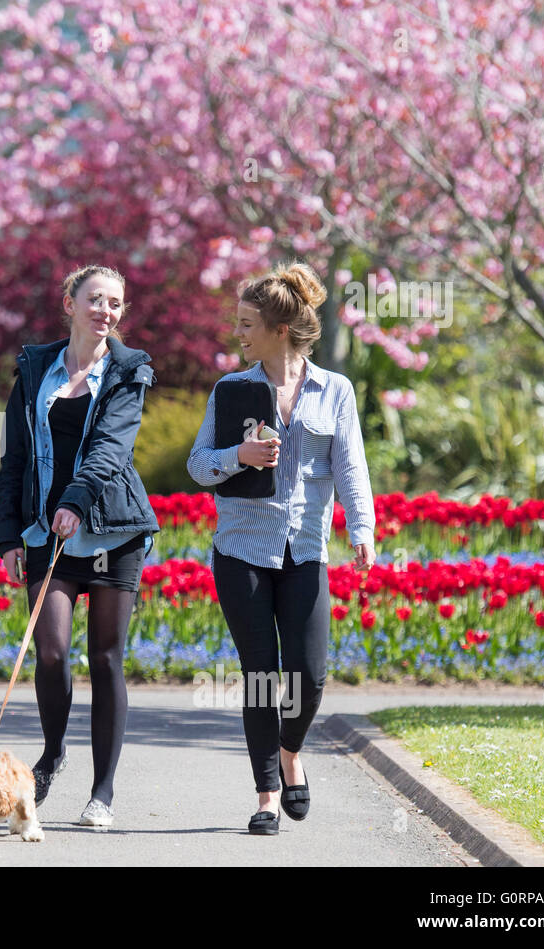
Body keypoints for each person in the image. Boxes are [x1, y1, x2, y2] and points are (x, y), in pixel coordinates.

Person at [186, 262, 375, 835]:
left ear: (280, 328)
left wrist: (361, 528)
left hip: (306, 549)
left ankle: (292, 750)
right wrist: (236, 458)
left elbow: (350, 464)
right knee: (262, 674)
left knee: (310, 675)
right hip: (242, 550)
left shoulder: (334, 390)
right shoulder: (231, 390)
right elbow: (198, 466)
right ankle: (267, 792)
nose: (239, 334)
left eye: (248, 324)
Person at [0, 264, 159, 828]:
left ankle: (103, 791)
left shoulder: (130, 371)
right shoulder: (35, 367)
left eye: (115, 303)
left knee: (106, 657)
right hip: (47, 533)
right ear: (69, 303)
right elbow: (15, 456)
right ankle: (53, 751)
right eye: (94, 299)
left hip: (113, 531)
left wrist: (77, 498)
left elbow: (112, 449)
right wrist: (8, 534)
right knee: (53, 651)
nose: (105, 311)